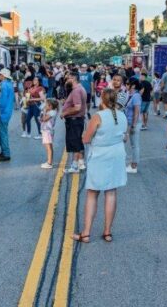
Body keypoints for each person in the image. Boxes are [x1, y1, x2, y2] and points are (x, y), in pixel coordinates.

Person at [71, 88, 127, 244]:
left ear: (102, 99)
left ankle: (86, 233)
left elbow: (86, 139)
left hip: (100, 156)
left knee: (92, 194)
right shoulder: (122, 116)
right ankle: (108, 232)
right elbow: (125, 136)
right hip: (116, 155)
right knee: (111, 193)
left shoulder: (98, 116)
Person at [61, 72, 87, 174]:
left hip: (74, 120)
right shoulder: (79, 89)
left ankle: (75, 166)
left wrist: (65, 113)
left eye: (67, 79)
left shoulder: (76, 91)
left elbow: (77, 107)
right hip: (77, 120)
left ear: (73, 79)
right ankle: (81, 163)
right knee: (78, 142)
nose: (66, 81)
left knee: (75, 143)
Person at [0, 68, 14, 161]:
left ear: (3, 76)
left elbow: (1, 101)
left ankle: (6, 153)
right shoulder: (9, 85)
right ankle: (4, 151)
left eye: (0, 75)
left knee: (1, 133)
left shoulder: (3, 85)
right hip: (7, 112)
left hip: (2, 113)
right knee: (2, 133)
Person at [124, 79, 142, 174]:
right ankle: (130, 163)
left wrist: (133, 125)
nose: (126, 85)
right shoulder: (128, 94)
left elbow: (136, 111)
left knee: (134, 144)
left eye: (128, 84)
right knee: (128, 142)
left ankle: (134, 165)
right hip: (127, 122)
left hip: (134, 123)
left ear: (133, 86)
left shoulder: (136, 96)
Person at [40, 99, 59, 169]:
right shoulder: (51, 111)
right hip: (47, 131)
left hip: (47, 131)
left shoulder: (51, 112)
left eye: (46, 105)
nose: (45, 106)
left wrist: (43, 112)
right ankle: (49, 161)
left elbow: (43, 119)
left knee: (48, 147)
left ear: (50, 106)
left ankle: (49, 163)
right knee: (49, 147)